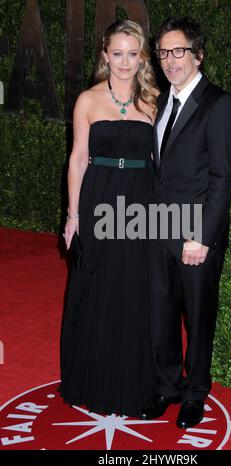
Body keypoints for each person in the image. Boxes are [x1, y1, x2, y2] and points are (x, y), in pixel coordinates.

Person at [141, 16, 231, 428]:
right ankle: (168, 387)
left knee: (198, 317)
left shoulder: (220, 105)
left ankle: (195, 393)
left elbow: (223, 179)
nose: (170, 60)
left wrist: (201, 237)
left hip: (196, 233)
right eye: (164, 51)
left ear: (198, 55)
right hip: (160, 227)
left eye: (179, 50)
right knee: (161, 312)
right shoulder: (163, 100)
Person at [59, 20, 159, 418]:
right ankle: (91, 377)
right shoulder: (87, 100)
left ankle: (134, 379)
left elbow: (160, 161)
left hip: (140, 203)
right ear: (104, 55)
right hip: (99, 199)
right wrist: (73, 213)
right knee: (96, 285)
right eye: (117, 53)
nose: (124, 61)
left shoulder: (154, 100)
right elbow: (78, 158)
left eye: (132, 54)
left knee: (134, 289)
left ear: (142, 57)